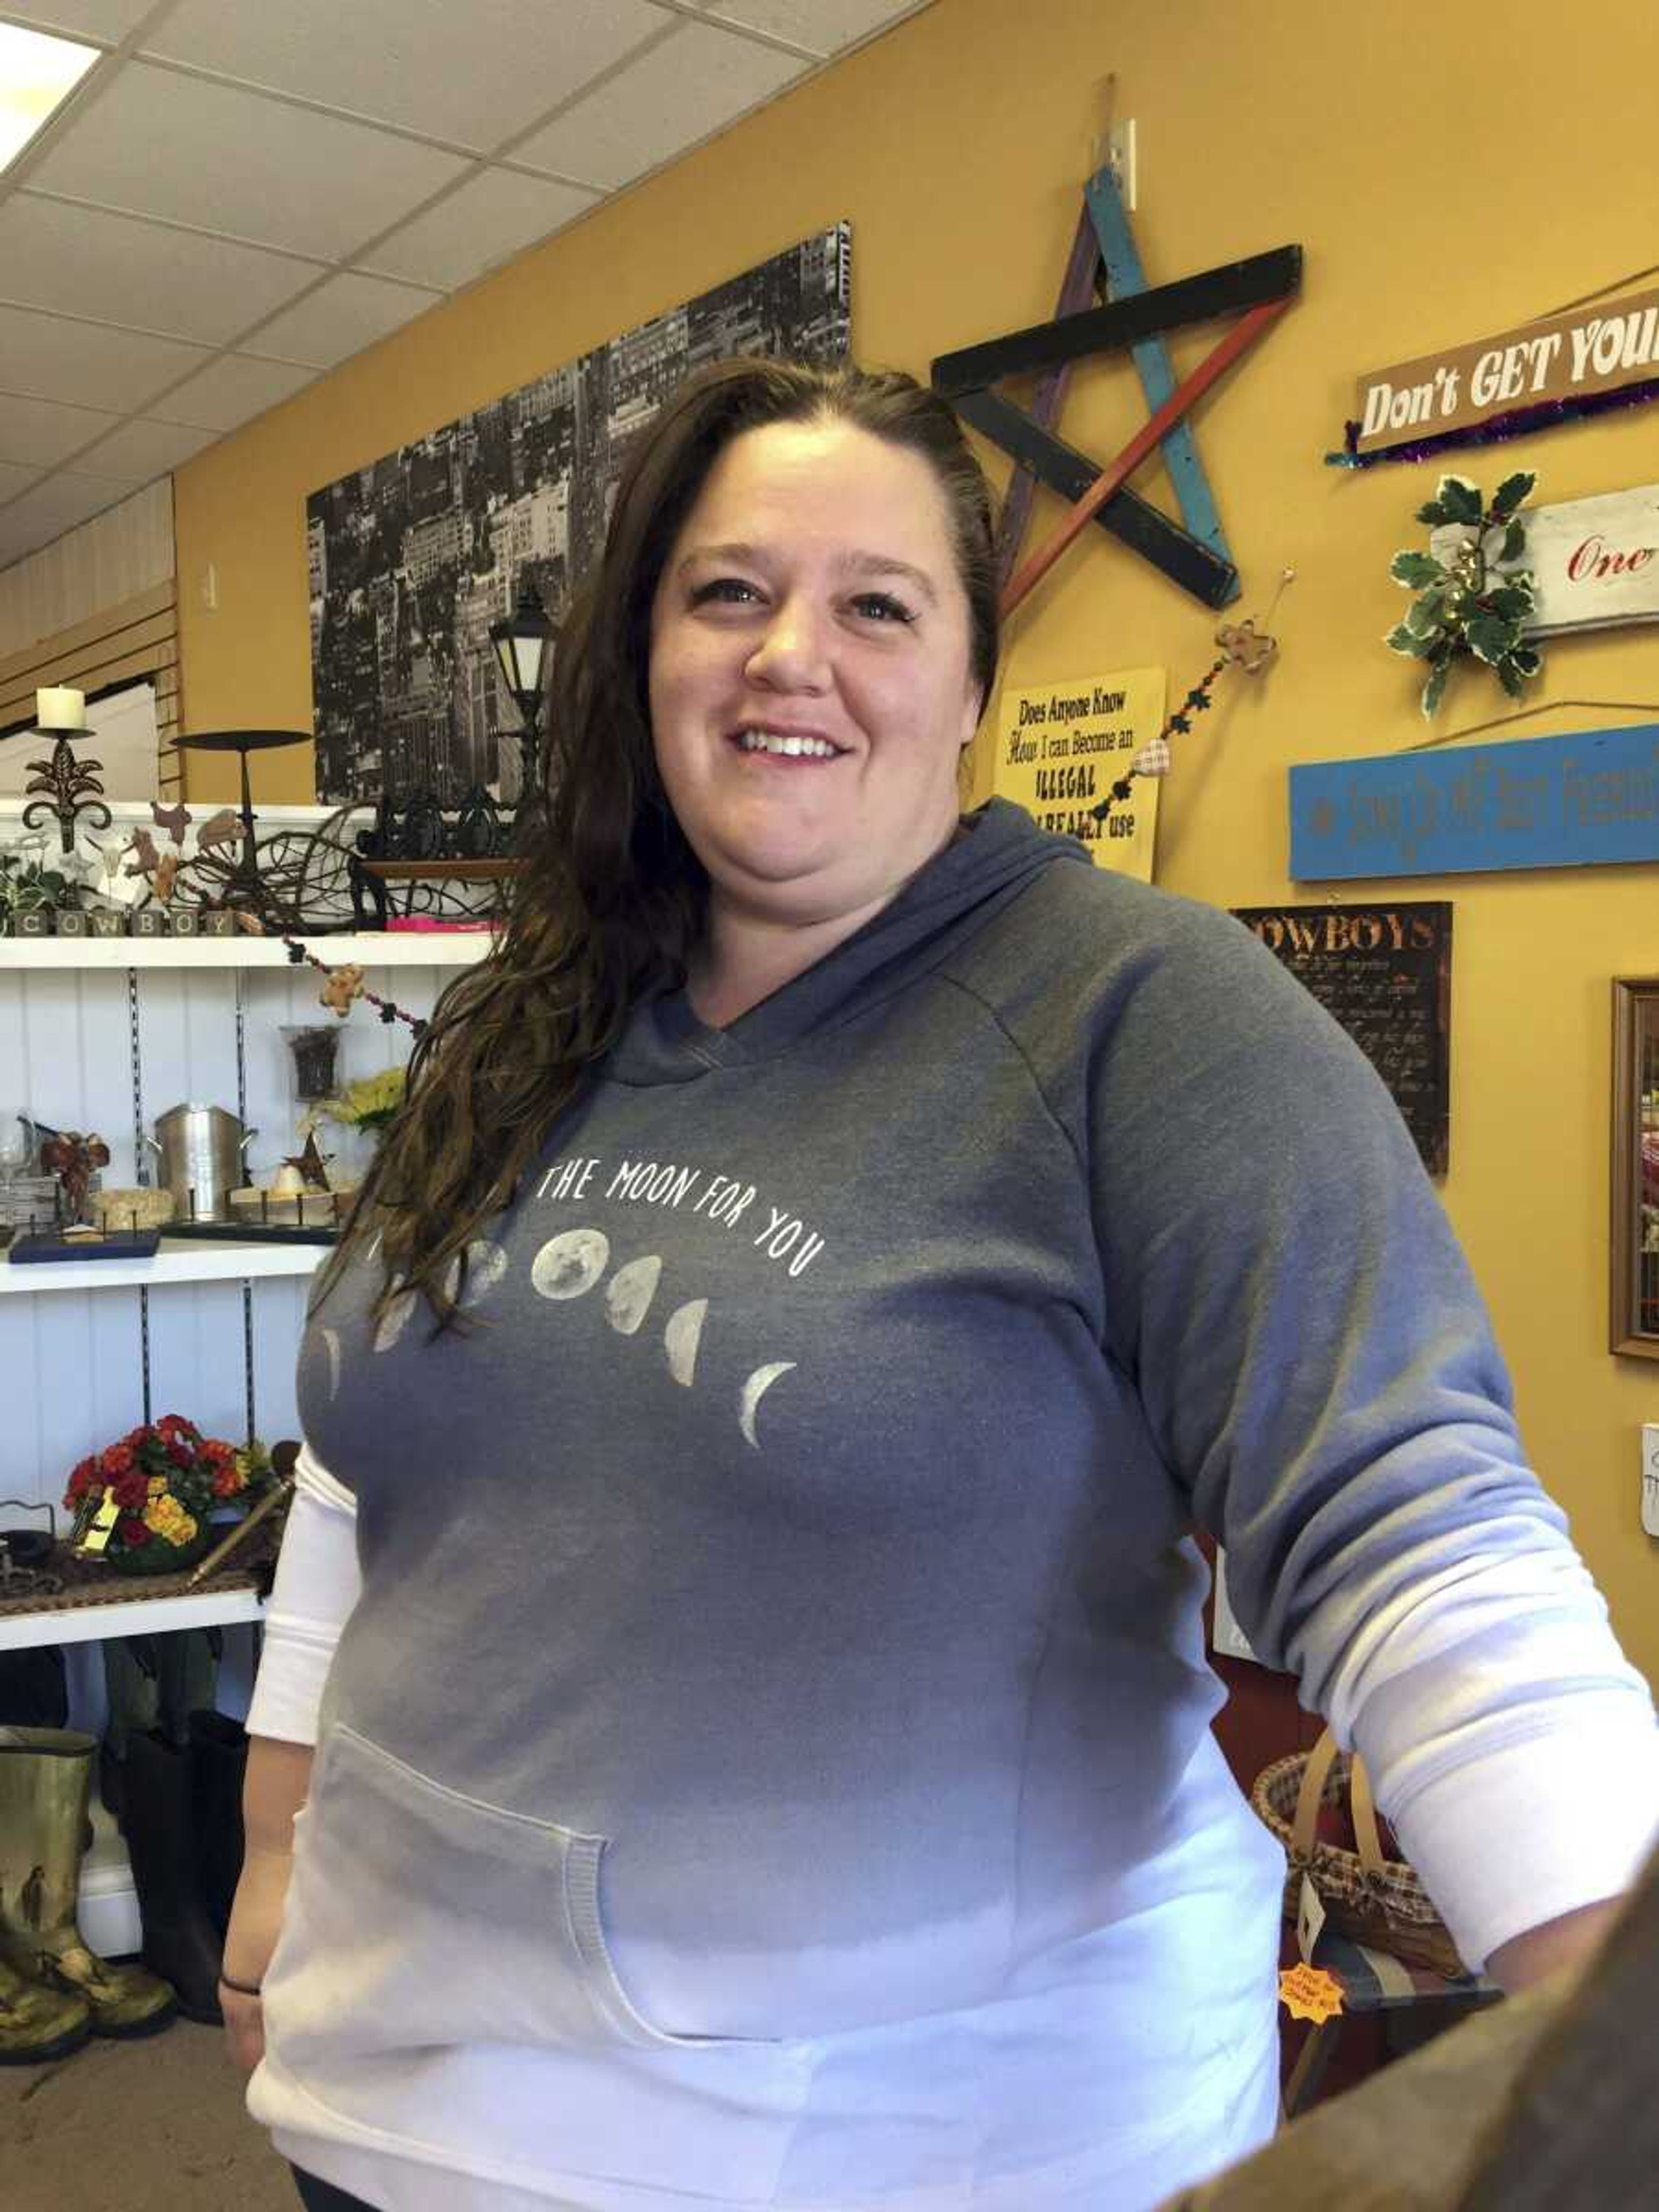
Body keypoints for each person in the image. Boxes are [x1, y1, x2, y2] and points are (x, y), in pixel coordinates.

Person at [221, 358, 1658, 2212]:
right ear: (643, 653)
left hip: (899, 2151)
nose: (788, 653)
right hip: (381, 2099)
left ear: (973, 683)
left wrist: (1618, 2020)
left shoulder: (1147, 1014)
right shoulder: (527, 1020)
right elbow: (375, 1456)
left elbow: (1419, 1527)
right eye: (728, 591)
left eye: (876, 605)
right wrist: (275, 1847)